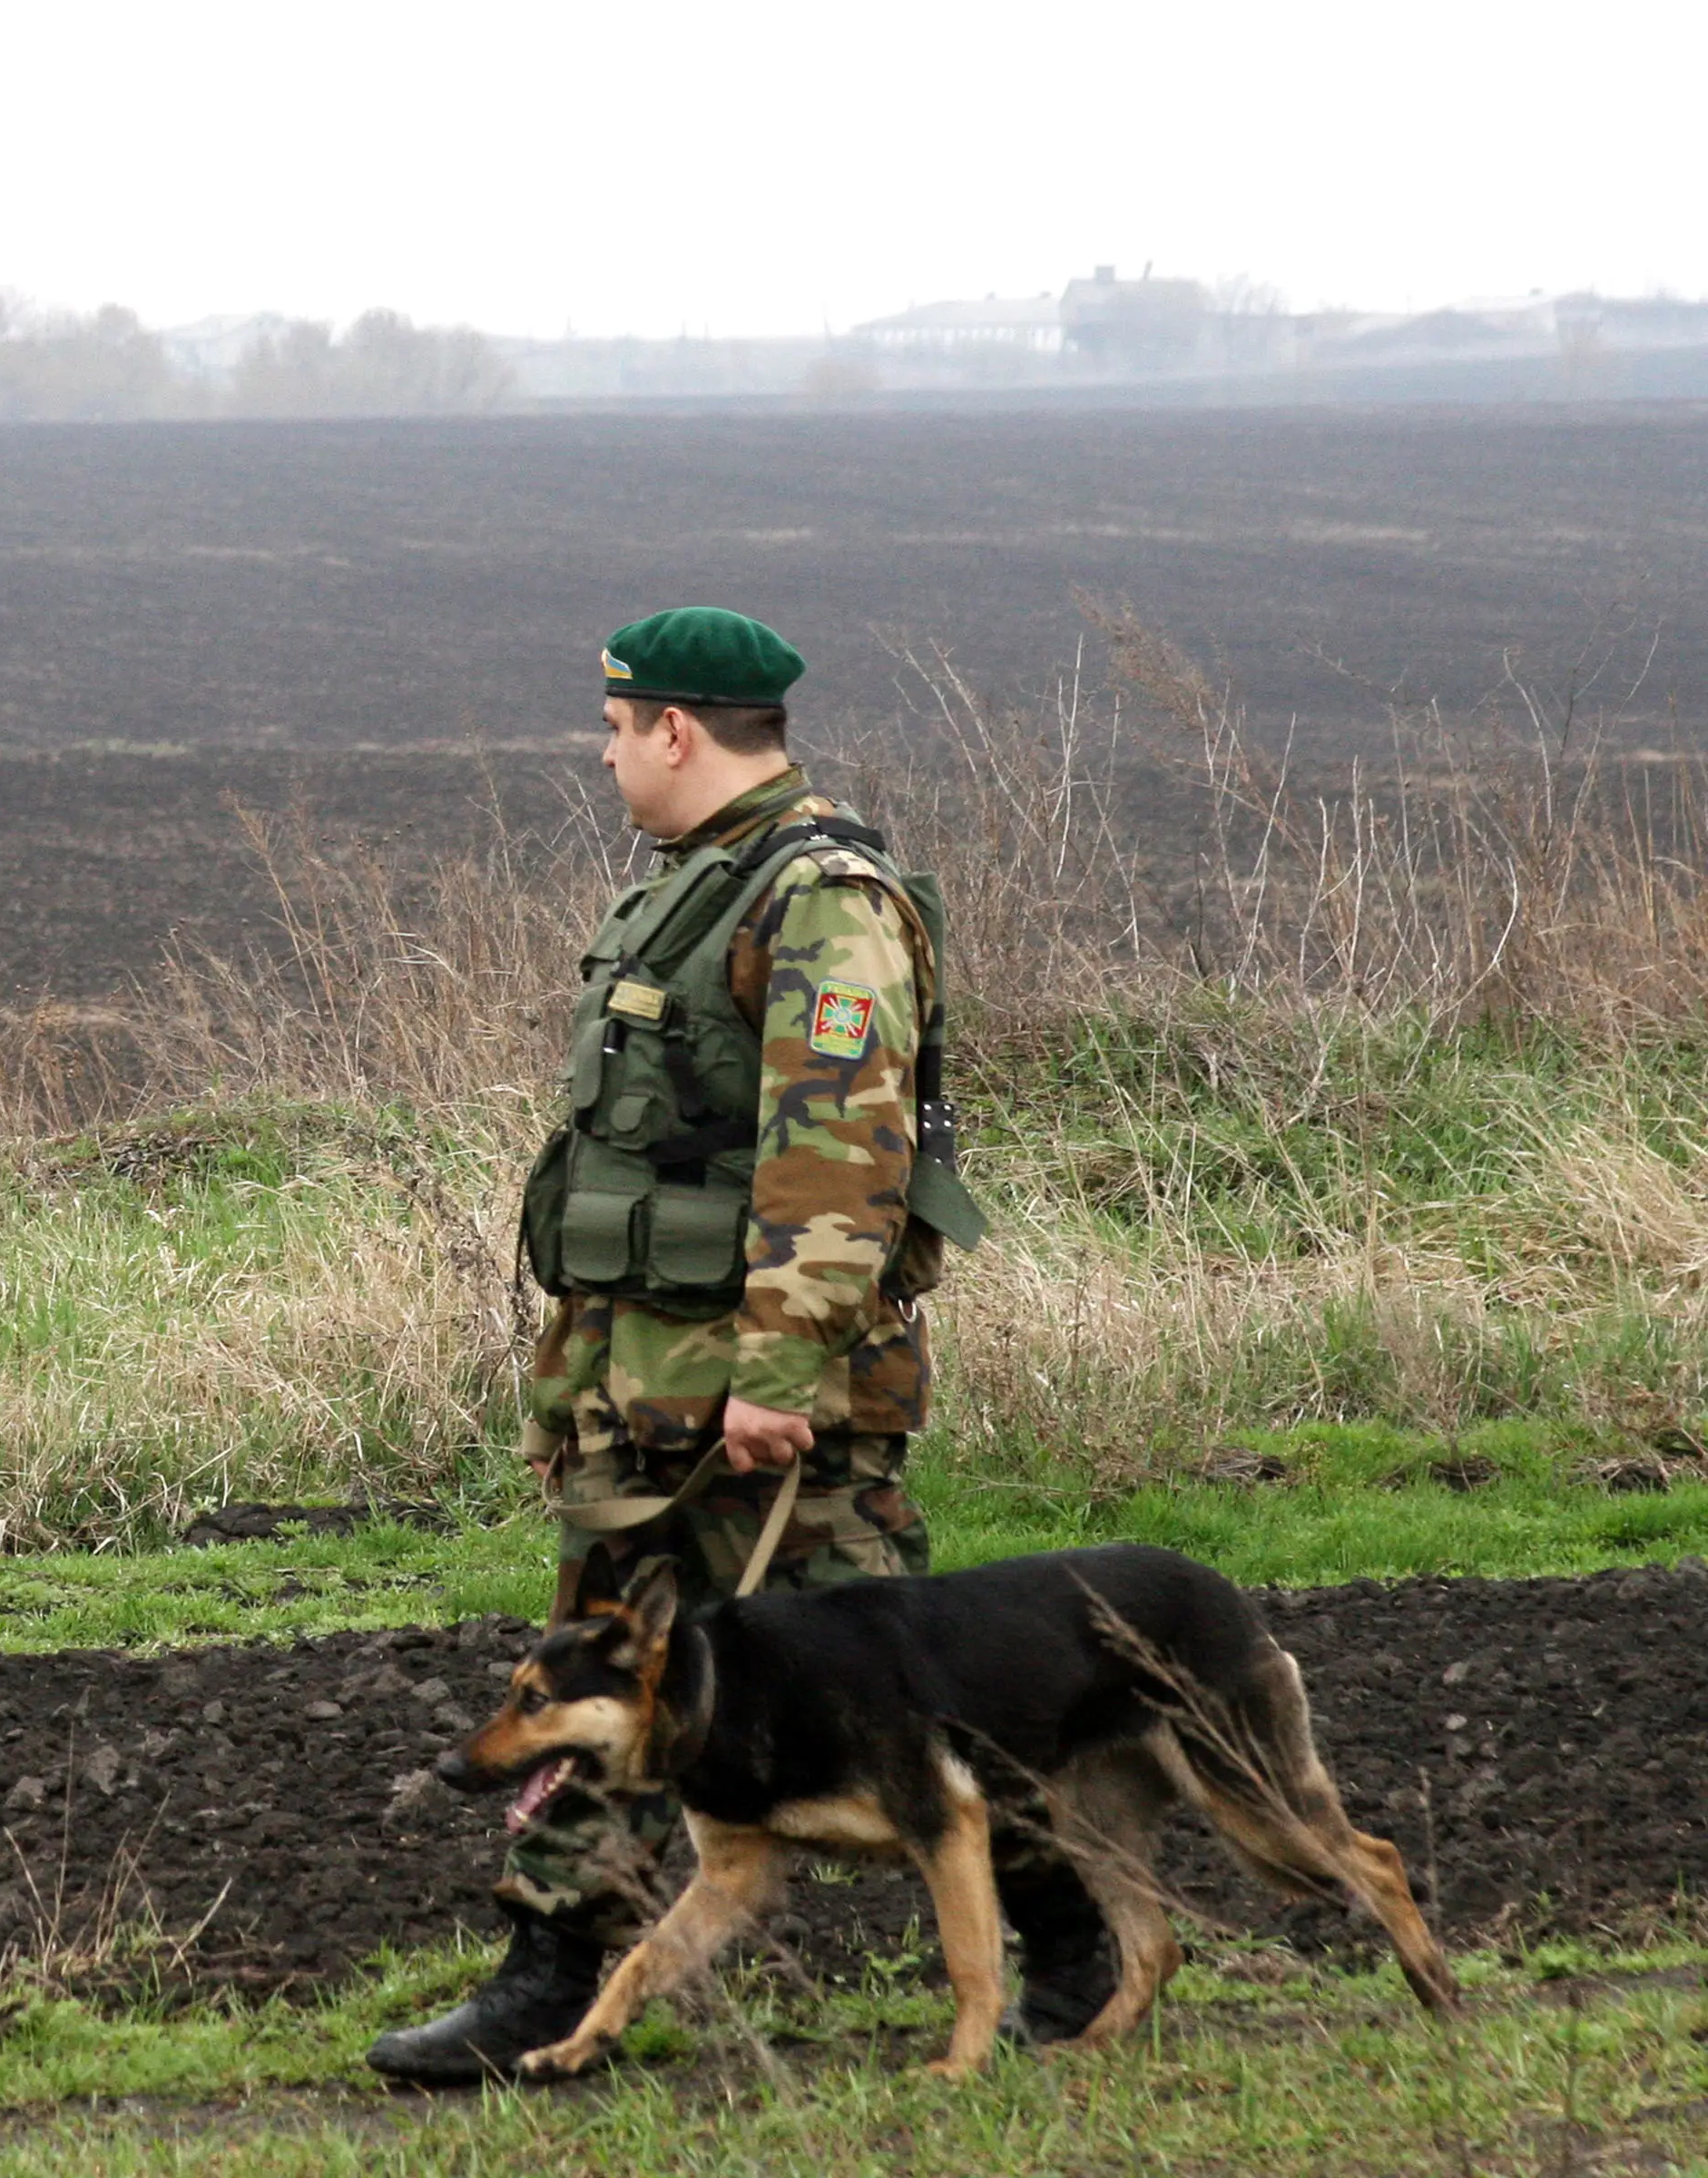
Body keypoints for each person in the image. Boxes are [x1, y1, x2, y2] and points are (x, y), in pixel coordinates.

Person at [365, 605, 1113, 2085]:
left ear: (678, 732)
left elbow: (839, 1156)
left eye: (616, 729)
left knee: (910, 1705)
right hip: (647, 1399)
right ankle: (553, 1971)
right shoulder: (688, 891)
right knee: (601, 1685)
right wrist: (576, 1382)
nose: (605, 754)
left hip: (777, 1409)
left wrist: (778, 1372)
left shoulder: (820, 897)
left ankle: (1072, 1947)